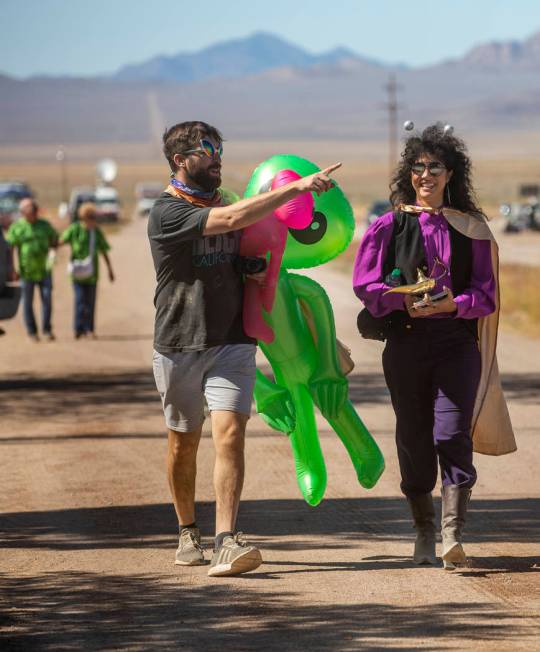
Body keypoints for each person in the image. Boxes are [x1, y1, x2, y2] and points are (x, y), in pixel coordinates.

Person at [148, 120, 340, 577]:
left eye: (219, 148)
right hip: (179, 343)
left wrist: (251, 268)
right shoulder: (166, 213)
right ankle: (187, 530)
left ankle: (227, 540)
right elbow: (232, 222)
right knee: (183, 444)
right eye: (207, 150)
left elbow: (244, 237)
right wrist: (297, 188)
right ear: (181, 160)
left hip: (233, 339)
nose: (217, 157)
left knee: (230, 434)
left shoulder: (231, 202)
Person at [353, 124, 514, 569]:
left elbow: (486, 294)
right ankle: (423, 530)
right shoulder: (389, 224)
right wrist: (403, 300)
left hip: (456, 345)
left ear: (450, 174)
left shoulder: (473, 229)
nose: (426, 175)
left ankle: (451, 534)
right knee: (414, 437)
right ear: (410, 174)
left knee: (451, 433)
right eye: (419, 167)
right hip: (405, 345)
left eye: (435, 167)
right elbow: (365, 286)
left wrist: (453, 303)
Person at [60, 202, 115, 339]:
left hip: (92, 275)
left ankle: (89, 329)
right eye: (90, 217)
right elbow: (61, 240)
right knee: (79, 301)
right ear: (83, 218)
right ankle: (78, 329)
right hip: (77, 274)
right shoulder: (74, 229)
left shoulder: (96, 232)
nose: (92, 220)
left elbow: (103, 250)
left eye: (93, 217)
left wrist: (110, 269)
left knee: (90, 302)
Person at [6, 198, 58, 341]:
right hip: (26, 272)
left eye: (34, 212)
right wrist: (12, 268)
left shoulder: (45, 225)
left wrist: (53, 254)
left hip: (44, 270)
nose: (32, 215)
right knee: (27, 303)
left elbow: (55, 240)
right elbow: (9, 248)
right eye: (29, 212)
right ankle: (32, 332)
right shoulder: (17, 227)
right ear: (23, 213)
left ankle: (47, 329)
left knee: (47, 300)